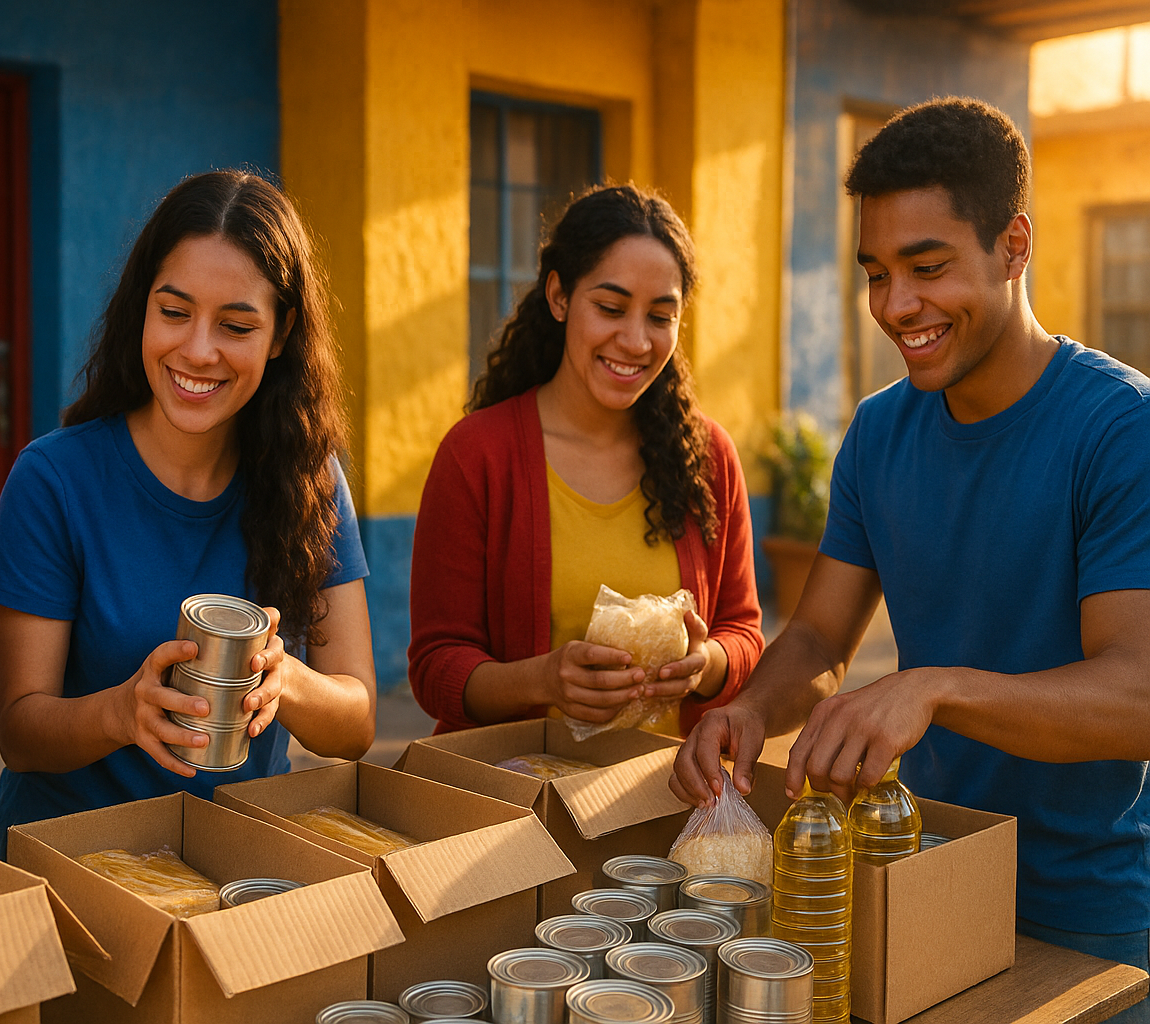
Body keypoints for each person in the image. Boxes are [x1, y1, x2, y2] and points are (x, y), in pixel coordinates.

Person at [670, 97, 1150, 1007]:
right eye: (875, 273)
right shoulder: (879, 433)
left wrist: (934, 685)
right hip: (919, 868)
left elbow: (1139, 693)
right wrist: (747, 711)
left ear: (1015, 244)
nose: (896, 307)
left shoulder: (1120, 428)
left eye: (928, 268)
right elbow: (817, 640)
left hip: (1086, 910)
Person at [0, 170, 376, 858]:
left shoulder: (311, 481)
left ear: (280, 335)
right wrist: (120, 713)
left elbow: (357, 720)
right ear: (141, 310)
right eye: (174, 311)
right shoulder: (54, 480)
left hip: (232, 871)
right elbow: (20, 731)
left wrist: (291, 682)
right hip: (67, 870)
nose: (197, 350)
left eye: (236, 325)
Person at [409, 184, 764, 739]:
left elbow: (742, 630)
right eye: (610, 308)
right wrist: (544, 681)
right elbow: (435, 668)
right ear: (559, 297)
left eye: (660, 316)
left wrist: (707, 664)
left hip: (668, 801)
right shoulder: (476, 455)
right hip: (516, 805)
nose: (635, 340)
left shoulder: (710, 456)